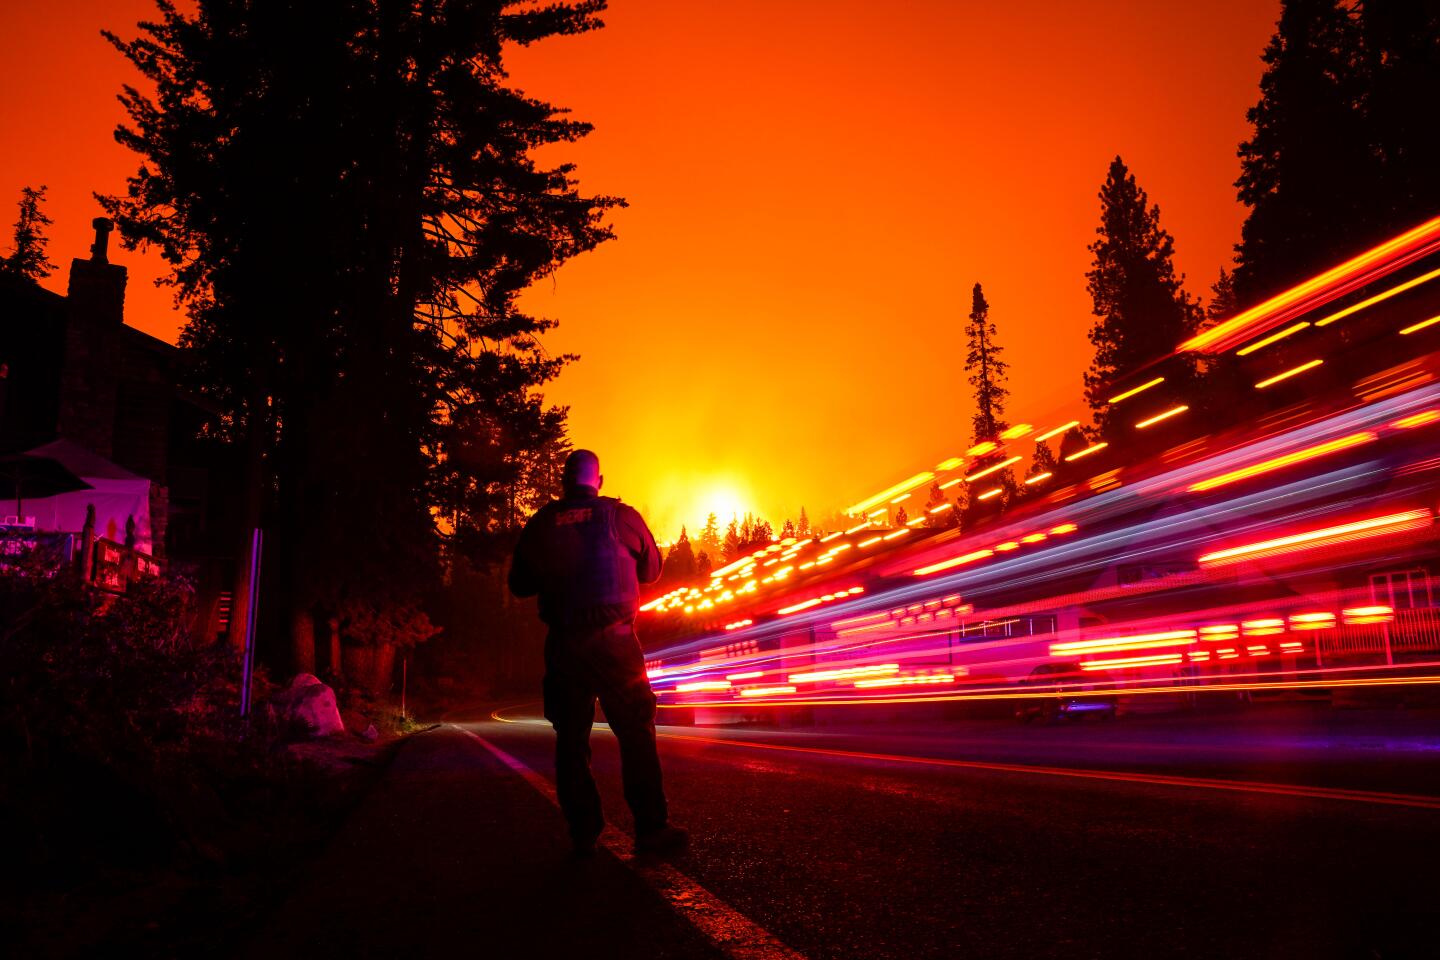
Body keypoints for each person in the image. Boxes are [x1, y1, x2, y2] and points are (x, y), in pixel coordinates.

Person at [508, 449, 688, 858]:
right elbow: (651, 572)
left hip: (565, 646)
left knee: (571, 740)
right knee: (636, 734)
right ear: (599, 481)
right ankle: (651, 829)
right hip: (616, 645)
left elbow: (519, 584)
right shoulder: (621, 517)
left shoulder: (541, 524)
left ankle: (583, 830)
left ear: (563, 482)